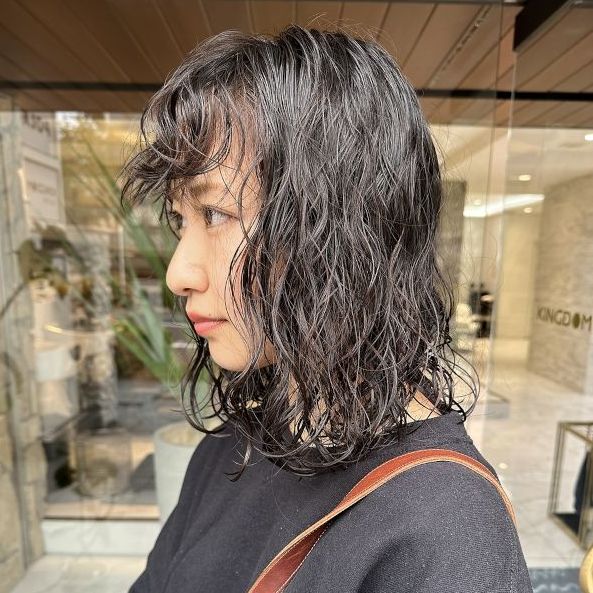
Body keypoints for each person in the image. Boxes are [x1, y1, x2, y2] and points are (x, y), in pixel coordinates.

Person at [120, 24, 533, 593]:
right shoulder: (234, 446)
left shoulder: (449, 531)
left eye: (215, 214)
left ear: (341, 225)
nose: (177, 273)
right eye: (180, 221)